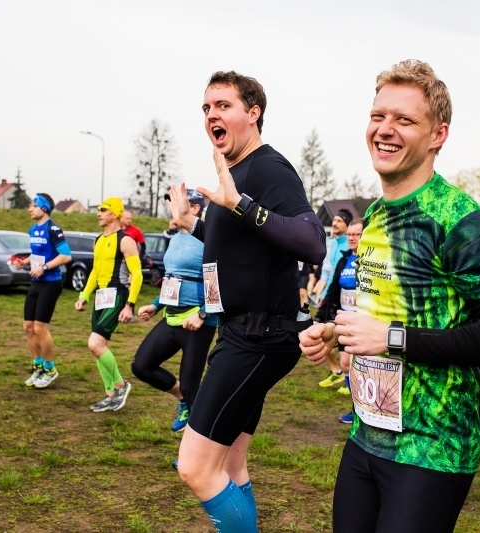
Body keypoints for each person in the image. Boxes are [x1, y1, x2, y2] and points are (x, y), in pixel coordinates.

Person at [299, 60, 480, 532]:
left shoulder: (459, 221)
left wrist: (393, 338)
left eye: (404, 120)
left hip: (434, 447)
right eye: (378, 115)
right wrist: (337, 334)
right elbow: (383, 315)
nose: (385, 129)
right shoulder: (379, 213)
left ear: (437, 135)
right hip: (369, 431)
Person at [166, 70, 326, 532]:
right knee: (232, 466)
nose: (212, 115)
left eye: (224, 105)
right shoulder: (230, 175)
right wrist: (189, 226)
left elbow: (313, 242)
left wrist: (241, 205)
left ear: (253, 113)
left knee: (195, 467)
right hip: (241, 330)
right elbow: (234, 249)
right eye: (206, 108)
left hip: (260, 337)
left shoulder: (266, 167)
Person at [132, 189, 217, 432]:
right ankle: (184, 402)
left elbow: (217, 282)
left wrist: (202, 314)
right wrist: (156, 305)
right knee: (142, 366)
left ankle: (204, 449)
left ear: (196, 209)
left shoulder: (208, 236)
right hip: (171, 317)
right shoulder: (176, 238)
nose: (171, 210)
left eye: (178, 205)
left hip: (197, 322)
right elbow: (173, 278)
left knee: (193, 388)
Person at [75, 197, 143, 412]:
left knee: (94, 344)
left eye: (103, 210)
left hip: (117, 296)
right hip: (100, 297)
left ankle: (122, 385)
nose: (99, 213)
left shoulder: (126, 240)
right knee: (99, 348)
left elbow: (137, 274)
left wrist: (129, 305)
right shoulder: (98, 240)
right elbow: (95, 271)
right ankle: (110, 394)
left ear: (115, 213)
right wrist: (84, 296)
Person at [14, 194, 72, 388]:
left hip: (51, 282)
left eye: (34, 205)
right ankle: (38, 367)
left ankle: (50, 368)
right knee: (28, 327)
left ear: (44, 209)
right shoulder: (33, 230)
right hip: (36, 281)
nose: (30, 209)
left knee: (40, 328)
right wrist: (26, 261)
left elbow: (66, 256)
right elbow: (37, 253)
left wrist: (45, 267)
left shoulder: (53, 229)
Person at [316, 218, 363, 422]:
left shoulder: (369, 261)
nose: (352, 238)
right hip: (344, 322)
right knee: (345, 364)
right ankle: (357, 408)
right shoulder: (344, 259)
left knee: (355, 365)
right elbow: (335, 289)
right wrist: (323, 314)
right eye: (350, 234)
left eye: (357, 234)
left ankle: (360, 410)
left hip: (362, 324)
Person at [314, 209, 352, 390]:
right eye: (334, 220)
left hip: (341, 296)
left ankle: (346, 376)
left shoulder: (351, 245)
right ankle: (335, 370)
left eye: (339, 221)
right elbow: (327, 273)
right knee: (318, 331)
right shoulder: (332, 244)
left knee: (345, 337)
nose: (335, 223)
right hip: (329, 294)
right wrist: (321, 294)